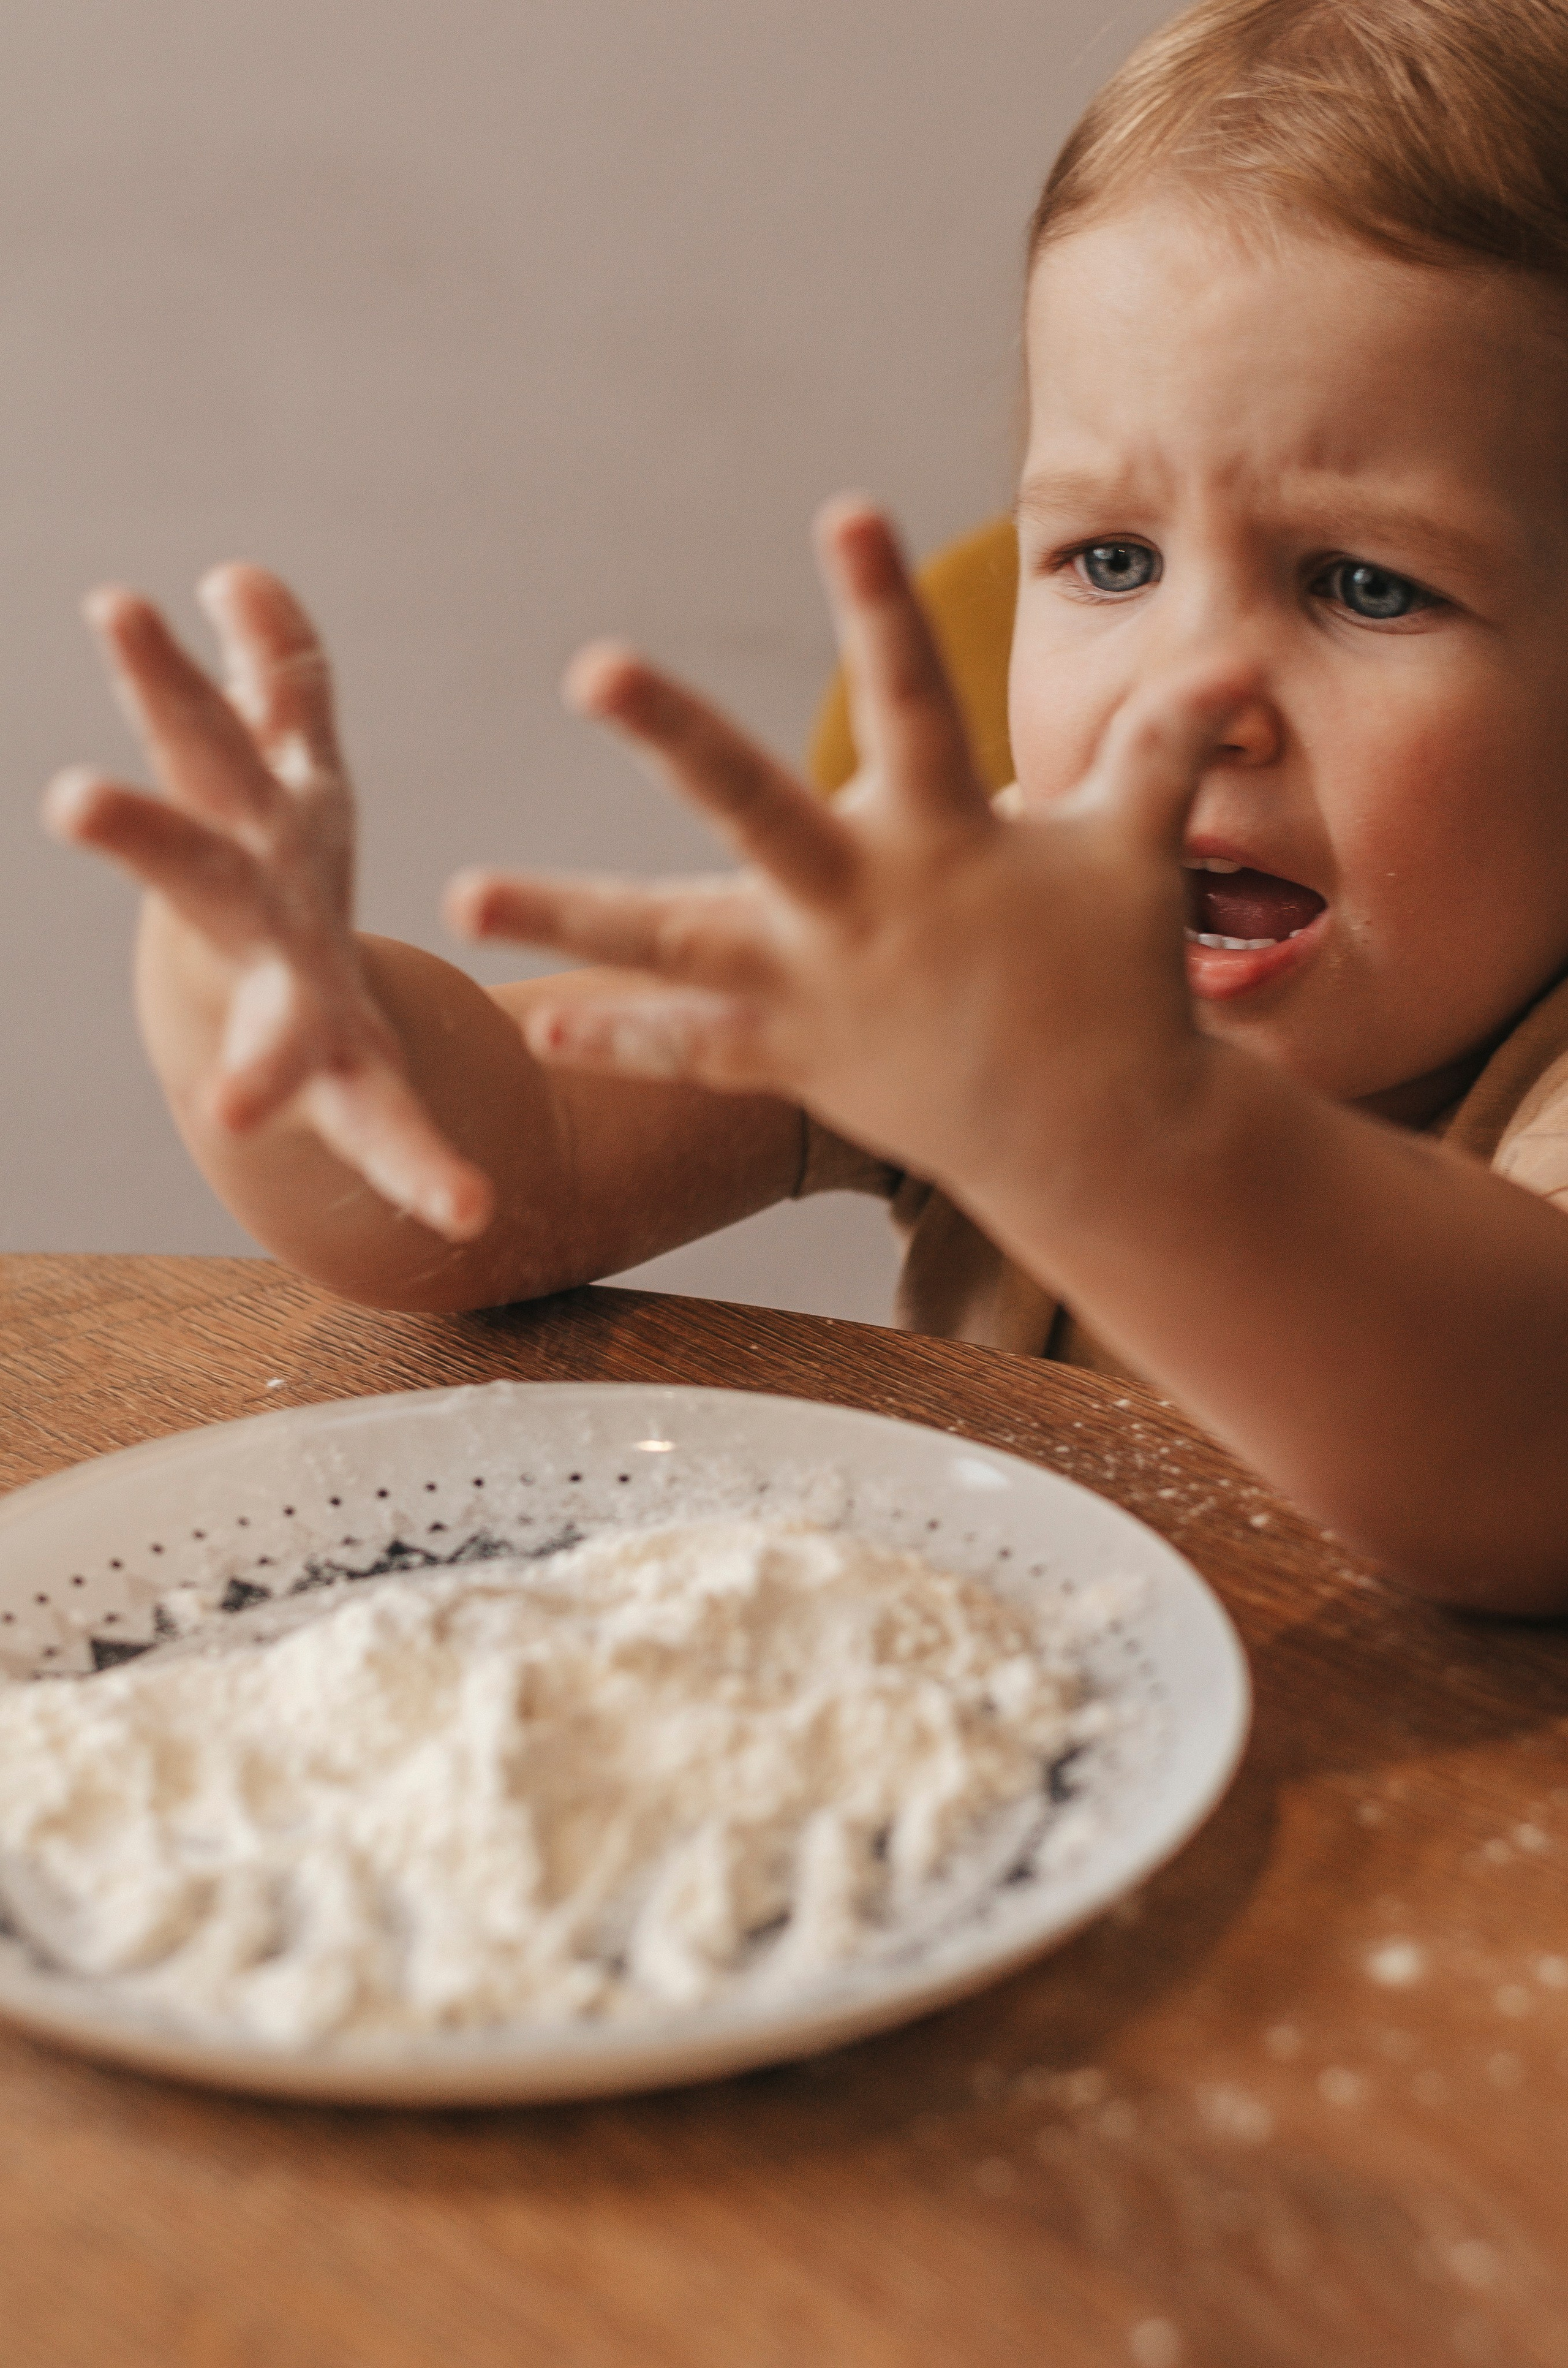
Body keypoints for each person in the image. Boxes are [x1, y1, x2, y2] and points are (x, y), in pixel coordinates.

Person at [42, 0, 1568, 1611]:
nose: (1185, 698)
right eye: (1111, 558)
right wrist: (271, 1010)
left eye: (1366, 584)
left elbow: (1516, 1440)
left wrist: (1113, 1118)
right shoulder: (974, 936)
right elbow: (490, 1173)